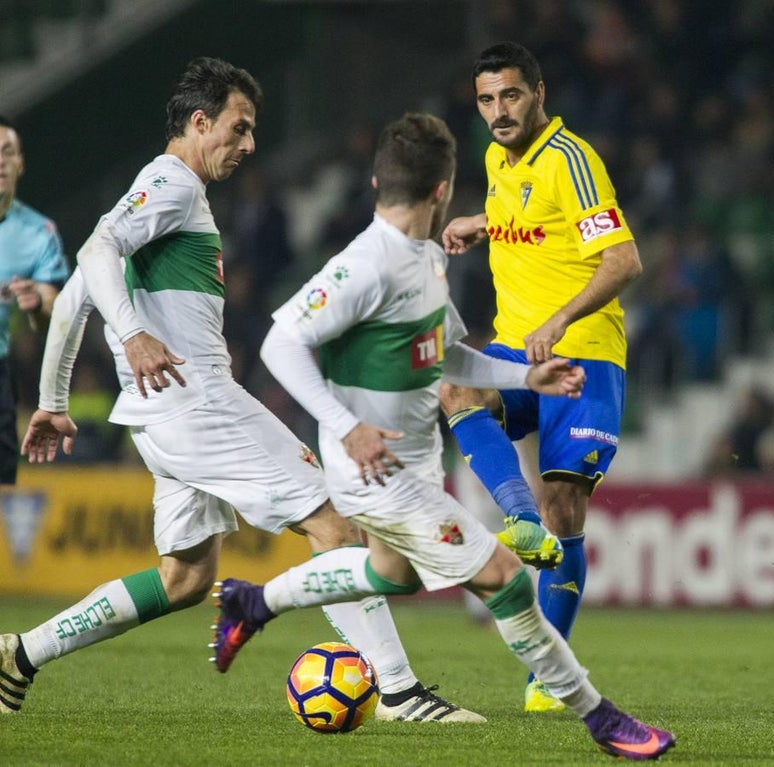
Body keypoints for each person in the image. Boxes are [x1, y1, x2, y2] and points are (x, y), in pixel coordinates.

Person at [2, 57, 480, 725]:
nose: (249, 144)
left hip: (164, 417)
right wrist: (137, 335)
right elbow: (94, 257)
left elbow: (83, 282)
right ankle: (400, 692)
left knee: (187, 578)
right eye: (240, 127)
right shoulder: (171, 183)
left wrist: (54, 400)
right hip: (198, 404)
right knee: (334, 521)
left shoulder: (160, 194)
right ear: (201, 123)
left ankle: (20, 653)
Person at [213, 111, 674, 760]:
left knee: (387, 571)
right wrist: (346, 429)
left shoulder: (426, 259)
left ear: (380, 181)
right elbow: (279, 342)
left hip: (412, 464)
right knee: (506, 579)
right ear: (442, 191)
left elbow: (453, 355)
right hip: (379, 473)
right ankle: (602, 718)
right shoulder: (366, 265)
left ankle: (252, 601)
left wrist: (528, 373)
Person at [438, 41, 643, 713]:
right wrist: (480, 221)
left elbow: (622, 260)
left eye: (511, 96)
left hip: (582, 348)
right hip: (513, 351)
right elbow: (530, 222)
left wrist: (557, 320)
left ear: (539, 93)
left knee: (567, 509)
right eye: (487, 100)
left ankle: (550, 677)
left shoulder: (572, 160)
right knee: (457, 391)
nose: (498, 112)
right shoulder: (500, 160)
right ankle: (516, 517)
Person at [0, 115, 70, 484]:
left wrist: (36, 306)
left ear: (20, 162)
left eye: (6, 152)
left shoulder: (38, 233)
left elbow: (50, 310)